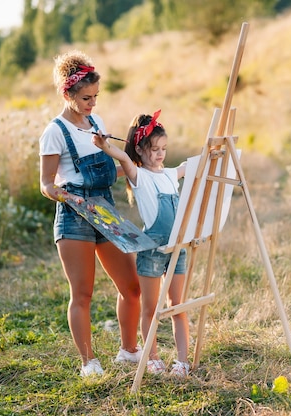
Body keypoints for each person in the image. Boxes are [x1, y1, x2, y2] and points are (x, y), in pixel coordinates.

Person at [38, 50, 142, 377]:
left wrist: (133, 164)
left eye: (95, 97)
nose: (91, 104)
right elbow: (45, 185)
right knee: (82, 294)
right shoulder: (54, 132)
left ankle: (128, 351)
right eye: (85, 98)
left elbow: (107, 169)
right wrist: (65, 195)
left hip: (105, 208)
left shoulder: (97, 123)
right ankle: (89, 363)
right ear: (66, 93)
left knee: (133, 286)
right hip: (74, 215)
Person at [91, 109, 191, 377]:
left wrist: (215, 152)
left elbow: (190, 166)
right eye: (154, 149)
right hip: (152, 251)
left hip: (177, 250)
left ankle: (183, 360)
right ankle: (152, 357)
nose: (160, 154)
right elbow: (123, 156)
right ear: (140, 149)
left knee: (177, 304)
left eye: (164, 148)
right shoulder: (138, 175)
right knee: (150, 308)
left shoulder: (171, 174)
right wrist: (104, 145)